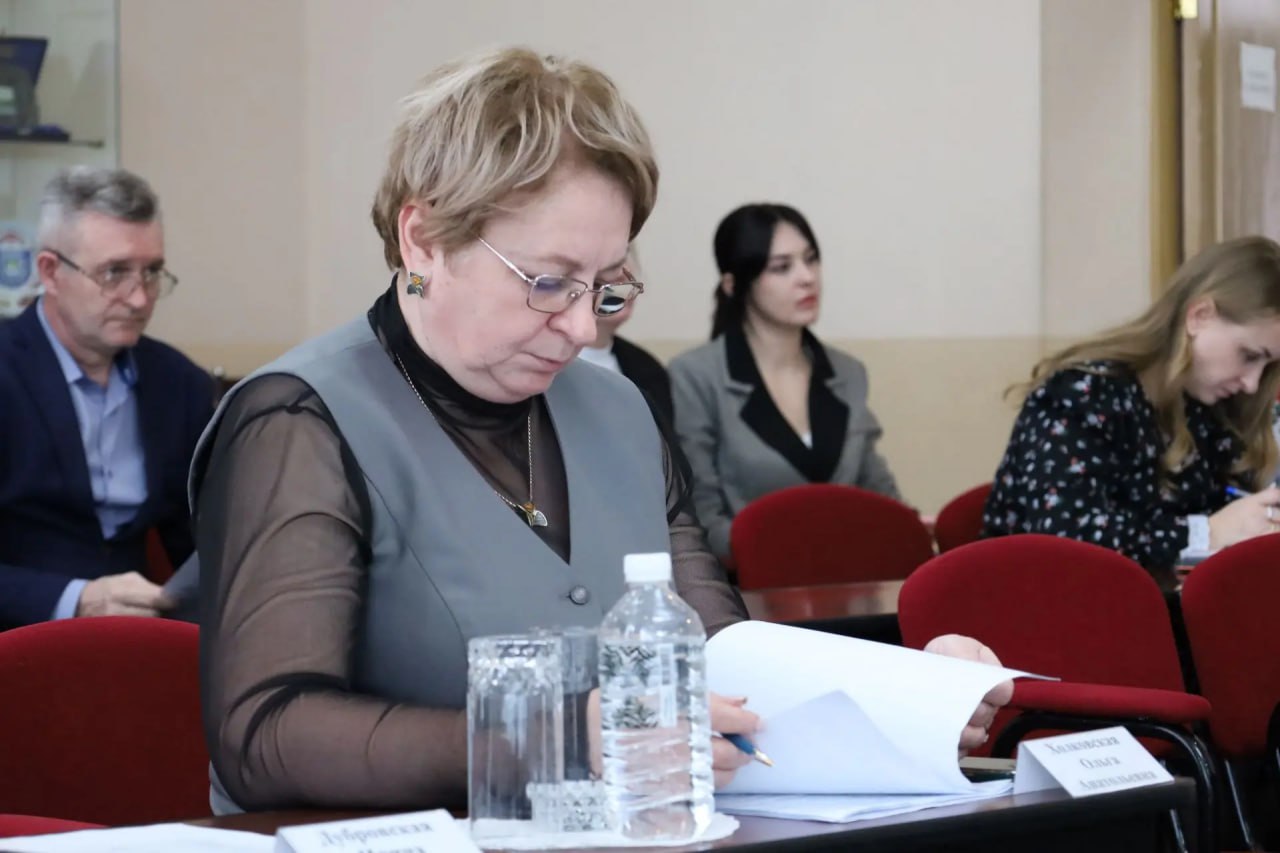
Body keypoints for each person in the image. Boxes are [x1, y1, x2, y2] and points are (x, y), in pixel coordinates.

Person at [192, 48, 1009, 814]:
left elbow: (723, 655)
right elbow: (264, 735)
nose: (584, 328)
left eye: (608, 287)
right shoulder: (300, 421)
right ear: (424, 239)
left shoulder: (619, 410)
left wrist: (905, 696)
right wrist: (555, 738)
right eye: (549, 283)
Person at [983, 235, 1280, 585]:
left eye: (1267, 366)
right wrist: (1207, 532)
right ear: (1199, 316)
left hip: (1165, 607)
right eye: (1249, 355)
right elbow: (1068, 541)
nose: (1252, 383)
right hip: (1039, 605)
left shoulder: (1213, 407)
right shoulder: (1080, 396)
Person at [0, 166, 212, 629]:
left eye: (151, 272)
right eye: (114, 273)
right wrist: (76, 599)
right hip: (17, 640)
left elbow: (204, 543)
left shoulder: (180, 384)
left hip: (140, 637)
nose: (140, 300)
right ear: (50, 272)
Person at [669, 203, 901, 563]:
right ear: (733, 285)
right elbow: (701, 519)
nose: (807, 277)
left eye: (811, 259)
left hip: (853, 579)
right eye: (782, 267)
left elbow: (879, 495)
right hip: (750, 586)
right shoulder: (695, 376)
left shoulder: (848, 373)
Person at [576, 291, 674, 424]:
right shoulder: (555, 359)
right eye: (602, 283)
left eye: (629, 282)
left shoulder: (645, 365)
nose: (622, 289)